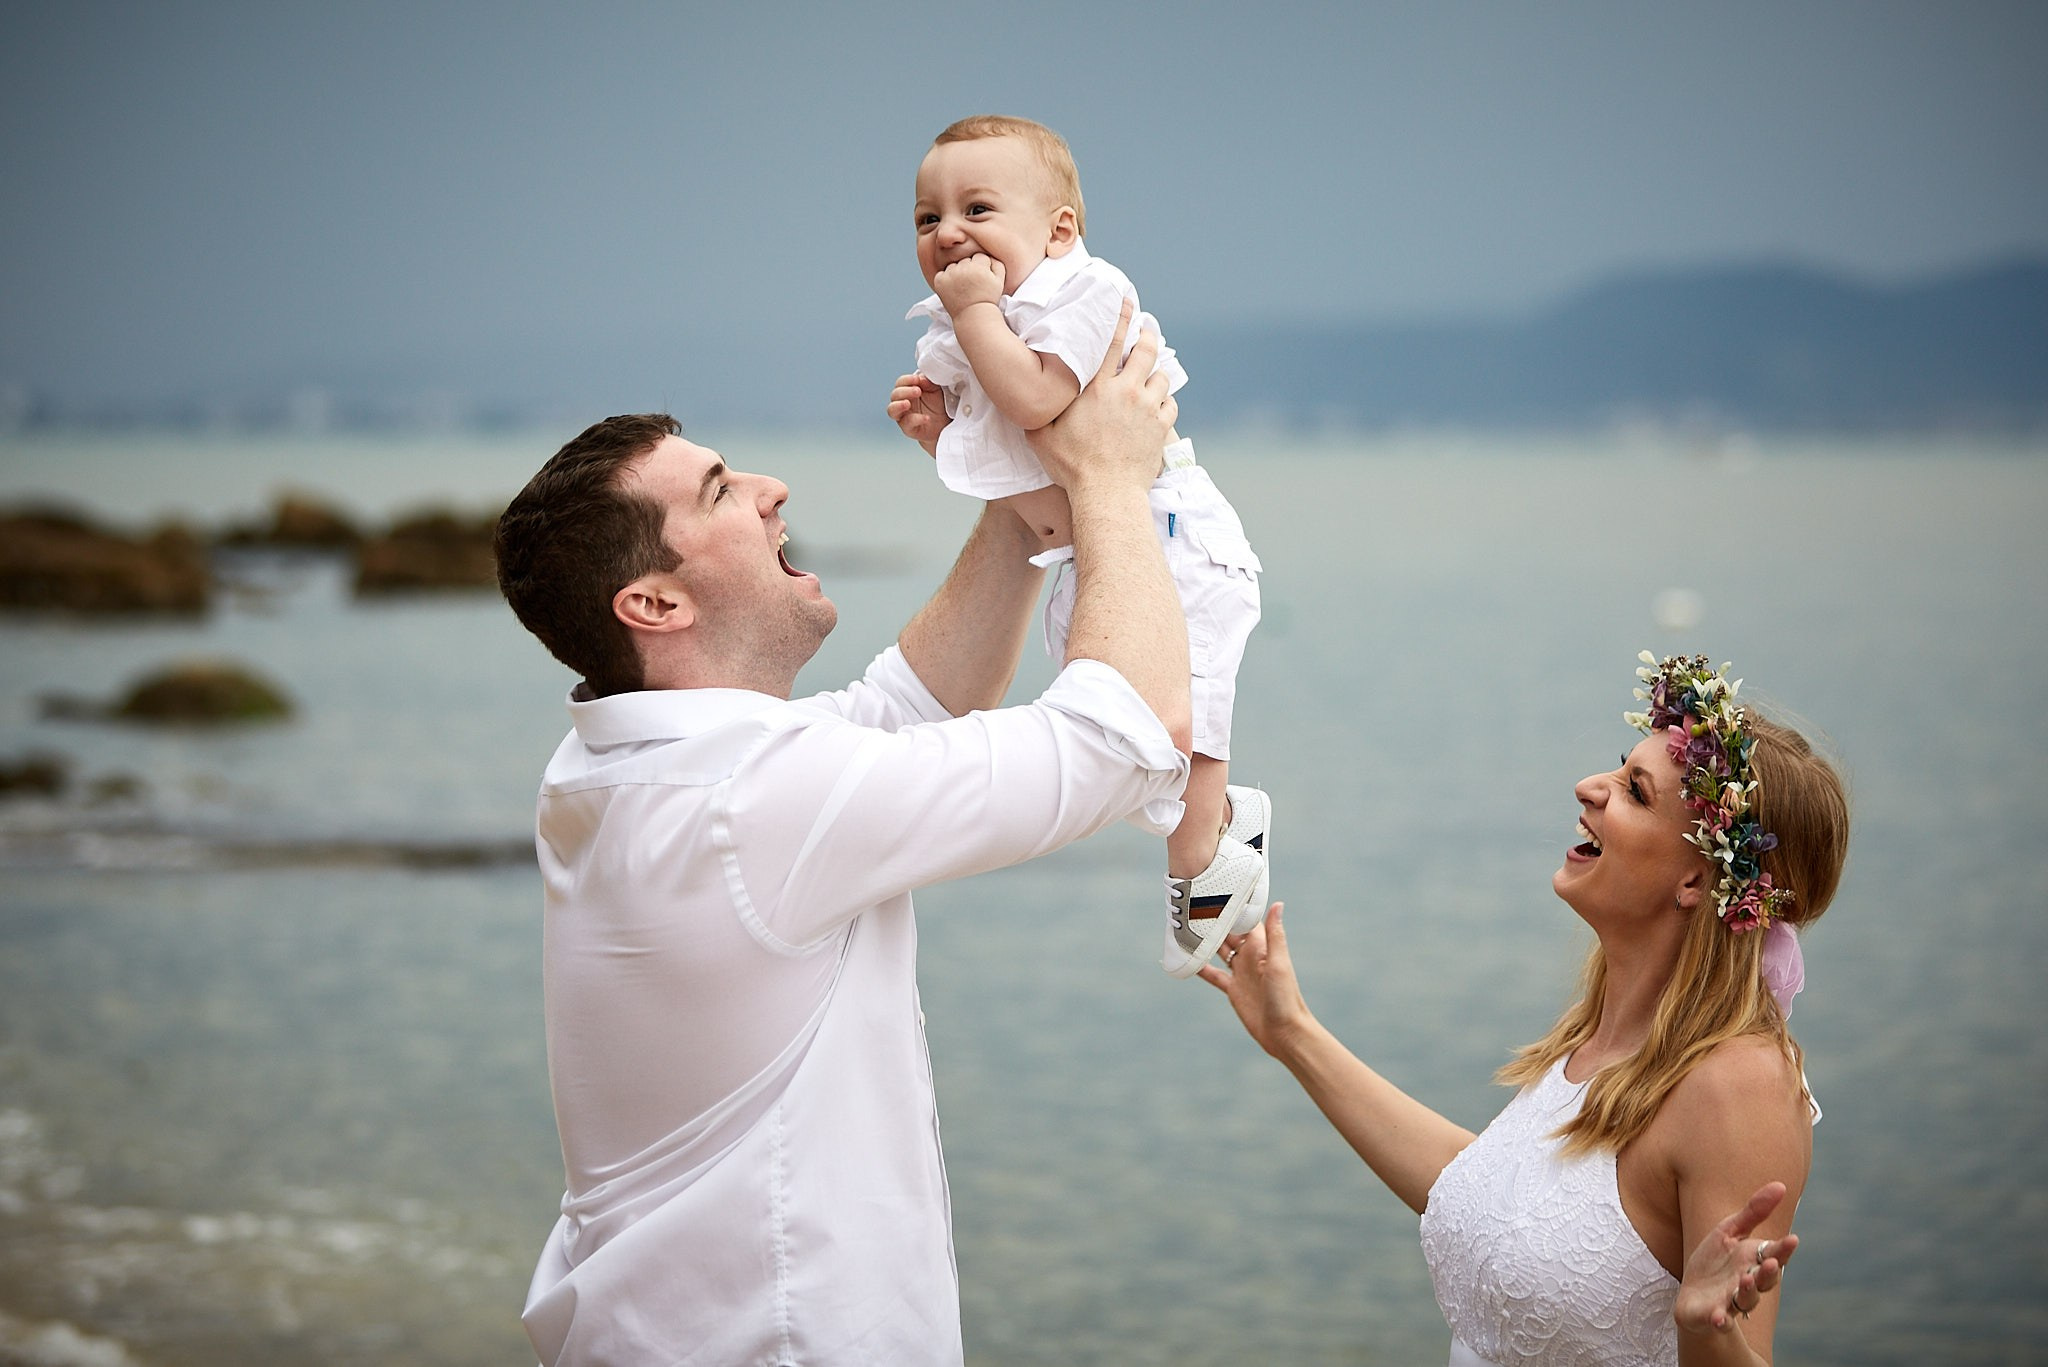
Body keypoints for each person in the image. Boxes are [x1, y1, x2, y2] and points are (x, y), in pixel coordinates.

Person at [495, 308, 1192, 1365]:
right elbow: (1130, 734)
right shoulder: (746, 798)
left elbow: (905, 708)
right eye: (720, 491)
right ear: (654, 602)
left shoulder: (614, 762)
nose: (771, 488)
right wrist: (1108, 480)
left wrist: (1016, 495)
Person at [1201, 653, 1851, 1366]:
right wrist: (1292, 1032)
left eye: (1634, 792)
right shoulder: (1596, 1041)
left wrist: (1707, 1329)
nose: (1589, 787)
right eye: (1621, 768)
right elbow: (1495, 1202)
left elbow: (1729, 1334)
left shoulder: (1740, 1085)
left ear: (1696, 879)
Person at [887, 113, 1268, 979]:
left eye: (978, 209)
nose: (949, 233)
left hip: (1170, 531)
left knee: (1181, 714)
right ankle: (1222, 829)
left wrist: (974, 316)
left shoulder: (1086, 293)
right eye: (926, 218)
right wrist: (943, 436)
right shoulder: (963, 329)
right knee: (1122, 730)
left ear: (1058, 231)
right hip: (1085, 544)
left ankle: (1200, 870)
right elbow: (1037, 496)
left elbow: (1033, 402)